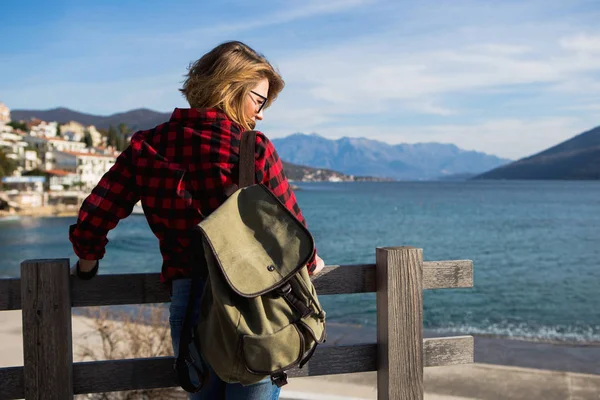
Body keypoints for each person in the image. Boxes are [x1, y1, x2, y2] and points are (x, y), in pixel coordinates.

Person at [69, 40, 325, 400]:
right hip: (253, 304)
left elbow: (96, 213)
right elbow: (293, 232)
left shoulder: (148, 146)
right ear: (230, 89)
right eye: (259, 100)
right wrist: (314, 262)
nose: (261, 113)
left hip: (187, 301)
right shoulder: (252, 148)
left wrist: (87, 263)